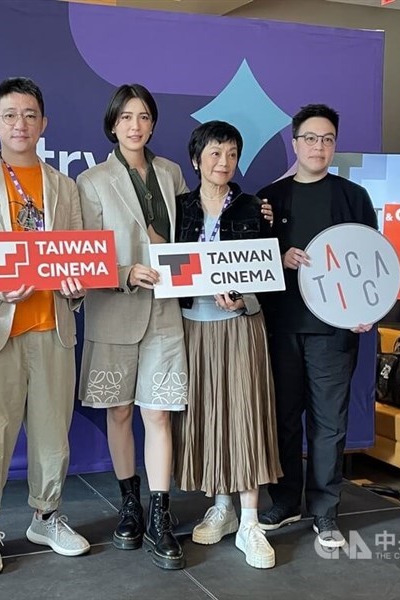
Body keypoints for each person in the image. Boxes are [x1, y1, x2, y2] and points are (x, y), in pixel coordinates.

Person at [0, 77, 90, 576]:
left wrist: (75, 285)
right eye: (10, 115)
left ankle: (46, 516)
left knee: (54, 434)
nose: (20, 123)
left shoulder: (63, 186)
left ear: (43, 123)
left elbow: (76, 255)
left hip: (53, 328)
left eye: (29, 114)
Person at [76, 84, 188, 570]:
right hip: (114, 311)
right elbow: (83, 253)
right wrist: (124, 273)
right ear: (113, 124)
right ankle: (130, 505)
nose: (136, 126)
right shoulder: (92, 180)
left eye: (144, 117)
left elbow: (193, 234)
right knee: (119, 412)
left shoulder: (172, 173)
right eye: (126, 117)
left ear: (153, 123)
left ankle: (161, 513)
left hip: (165, 311)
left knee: (159, 414)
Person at [256, 104, 376, 549]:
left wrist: (368, 306)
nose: (318, 146)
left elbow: (370, 260)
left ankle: (325, 511)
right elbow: (250, 256)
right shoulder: (270, 197)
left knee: (330, 424)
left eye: (327, 139)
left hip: (335, 331)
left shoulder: (353, 197)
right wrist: (278, 256)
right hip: (281, 326)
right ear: (295, 142)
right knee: (284, 419)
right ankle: (285, 500)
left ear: (335, 144)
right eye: (310, 138)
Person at [171, 120, 281, 569]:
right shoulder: (177, 208)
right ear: (196, 160)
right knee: (210, 412)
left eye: (231, 154)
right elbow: (168, 264)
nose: (223, 162)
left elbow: (269, 273)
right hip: (193, 326)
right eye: (215, 153)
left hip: (239, 326)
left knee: (245, 412)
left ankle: (251, 519)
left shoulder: (256, 207)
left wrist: (242, 295)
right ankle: (222, 506)